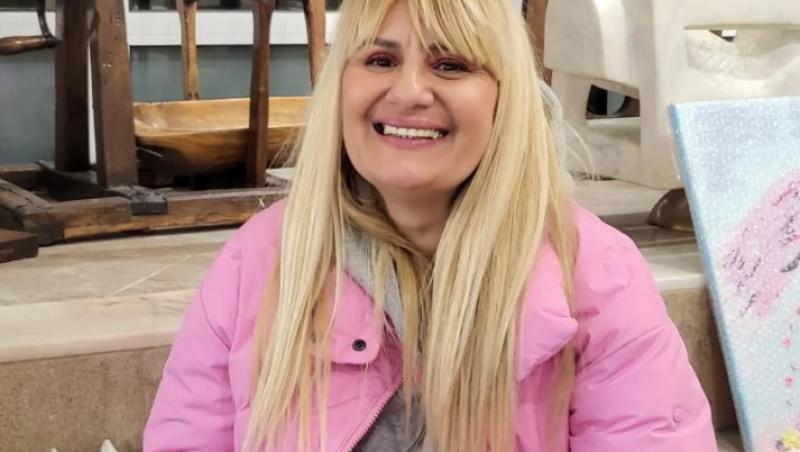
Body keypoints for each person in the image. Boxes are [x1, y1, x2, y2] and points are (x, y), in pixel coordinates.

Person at [143, 0, 717, 450]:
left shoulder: (596, 275)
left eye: (450, 65)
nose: (410, 92)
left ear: (505, 97)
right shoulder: (256, 262)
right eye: (380, 60)